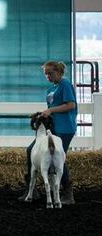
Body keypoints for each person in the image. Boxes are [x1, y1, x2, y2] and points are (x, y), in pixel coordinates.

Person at [19, 60, 77, 205]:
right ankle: (32, 188)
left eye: (50, 73)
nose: (48, 76)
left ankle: (68, 193)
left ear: (59, 72)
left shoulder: (65, 84)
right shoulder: (51, 88)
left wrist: (51, 110)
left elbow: (71, 105)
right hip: (52, 127)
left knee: (59, 157)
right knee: (31, 150)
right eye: (46, 74)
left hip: (64, 127)